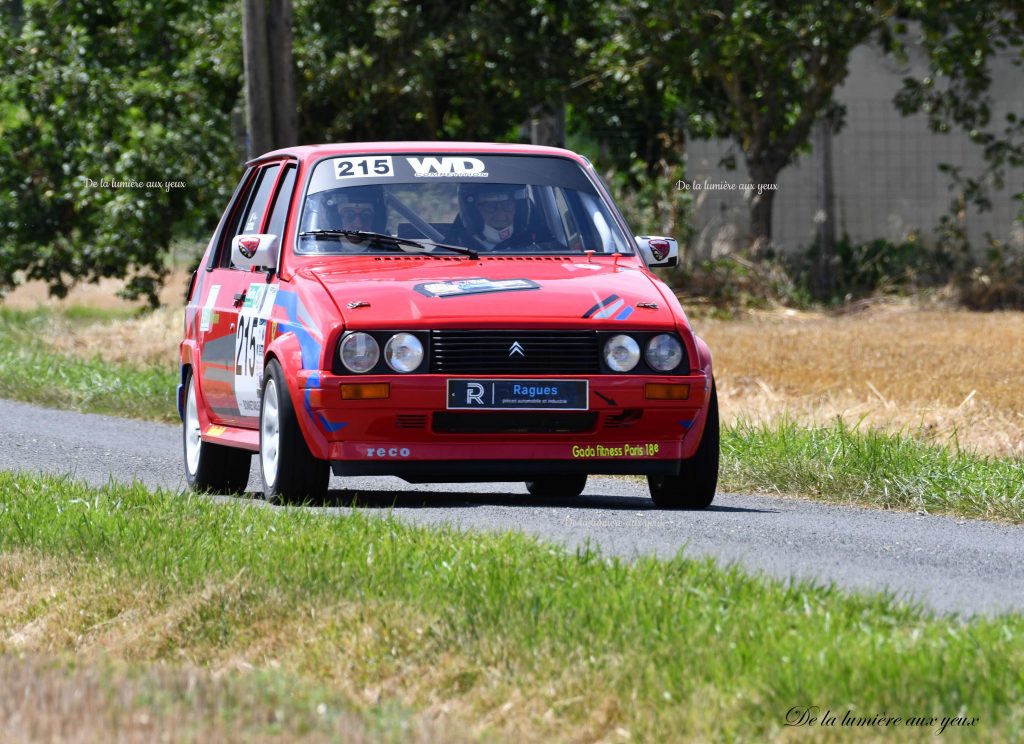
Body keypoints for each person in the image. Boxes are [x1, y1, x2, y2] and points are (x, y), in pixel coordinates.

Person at [447, 182, 544, 251]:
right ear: (473, 212)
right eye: (490, 206)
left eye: (508, 205)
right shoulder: (451, 252)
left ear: (519, 210)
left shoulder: (543, 247)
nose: (501, 216)